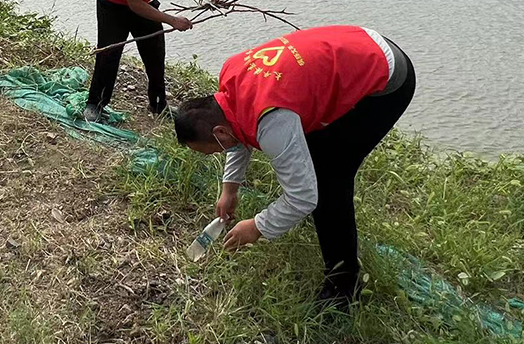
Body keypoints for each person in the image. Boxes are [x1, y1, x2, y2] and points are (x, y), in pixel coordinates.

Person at [173, 25, 415, 306]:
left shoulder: (273, 122)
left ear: (219, 133)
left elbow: (302, 196)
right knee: (311, 157)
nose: (219, 151)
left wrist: (257, 226)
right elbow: (237, 128)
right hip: (360, 42)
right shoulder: (231, 76)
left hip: (387, 79)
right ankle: (333, 246)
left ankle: (343, 288)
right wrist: (230, 188)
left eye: (214, 150)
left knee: (328, 181)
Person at [85, 0, 219, 122]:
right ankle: (95, 104)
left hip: (144, 1)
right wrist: (172, 20)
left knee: (155, 53)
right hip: (113, 3)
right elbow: (134, 4)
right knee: (109, 53)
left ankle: (158, 104)